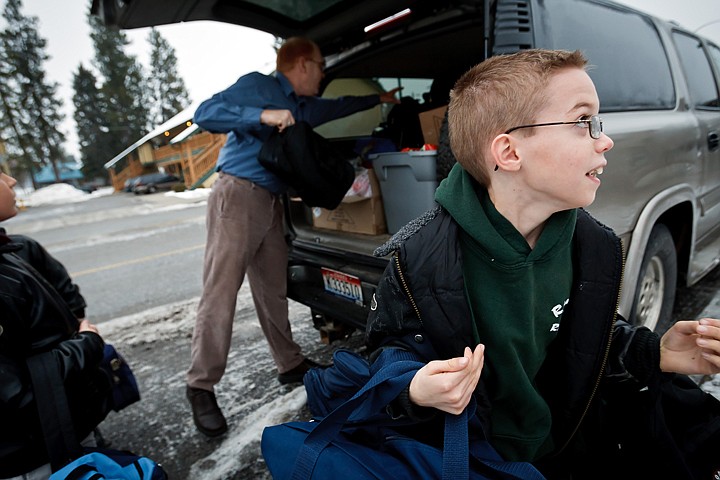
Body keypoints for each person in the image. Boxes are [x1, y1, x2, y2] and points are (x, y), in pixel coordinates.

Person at [365, 49, 720, 478]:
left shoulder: (591, 245)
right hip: (474, 455)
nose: (604, 139)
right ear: (510, 153)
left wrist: (653, 352)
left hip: (568, 443)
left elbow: (585, 341)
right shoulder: (419, 256)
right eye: (582, 121)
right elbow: (388, 351)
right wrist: (415, 387)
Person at [187, 36, 401, 437]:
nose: (323, 74)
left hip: (271, 202)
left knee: (272, 288)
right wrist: (264, 115)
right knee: (221, 292)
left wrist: (379, 100)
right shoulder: (260, 86)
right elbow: (206, 112)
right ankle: (200, 385)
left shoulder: (303, 106)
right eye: (320, 66)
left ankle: (289, 363)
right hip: (237, 195)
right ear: (302, 64)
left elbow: (336, 107)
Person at [0, 171, 111, 479]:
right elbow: (15, 392)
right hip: (37, 455)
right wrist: (87, 344)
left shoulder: (11, 251)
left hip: (60, 430)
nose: (11, 181)